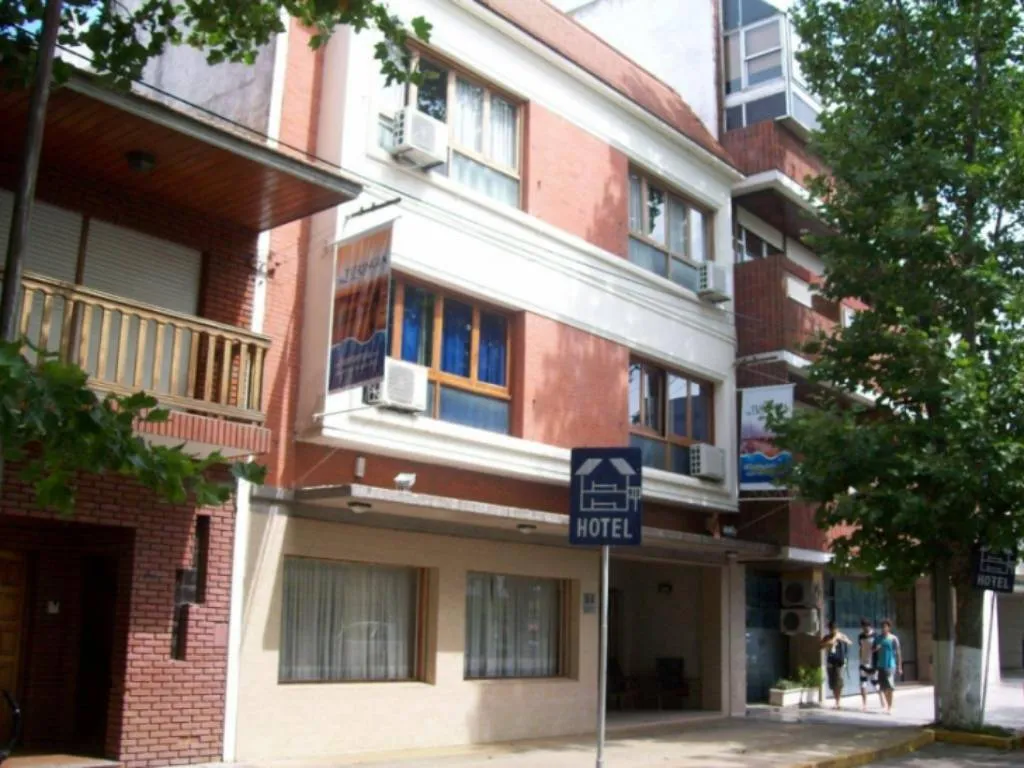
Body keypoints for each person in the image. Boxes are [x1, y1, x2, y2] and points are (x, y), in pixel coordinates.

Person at [873, 619, 903, 714]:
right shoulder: (878, 638)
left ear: (889, 628)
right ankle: (888, 704)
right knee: (884, 687)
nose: (883, 628)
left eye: (885, 627)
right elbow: (872, 650)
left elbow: (898, 653)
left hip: (890, 665)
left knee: (890, 687)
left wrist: (899, 667)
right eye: (882, 627)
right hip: (880, 665)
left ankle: (889, 707)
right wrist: (876, 648)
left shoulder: (893, 638)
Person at [820, 620, 852, 710]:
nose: (833, 630)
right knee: (832, 683)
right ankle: (836, 700)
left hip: (839, 662)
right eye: (831, 629)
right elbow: (821, 646)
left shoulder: (841, 636)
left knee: (839, 682)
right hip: (830, 661)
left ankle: (838, 702)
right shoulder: (827, 637)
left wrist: (843, 639)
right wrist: (834, 639)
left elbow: (850, 642)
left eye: (835, 628)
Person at [858, 618, 885, 711]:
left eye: (866, 626)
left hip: (873, 663)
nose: (864, 628)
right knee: (863, 683)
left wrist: (875, 650)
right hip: (863, 663)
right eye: (863, 627)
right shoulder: (860, 636)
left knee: (875, 683)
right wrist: (860, 658)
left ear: (869, 626)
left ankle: (882, 700)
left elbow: (879, 647)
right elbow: (861, 648)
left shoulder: (875, 636)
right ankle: (864, 704)